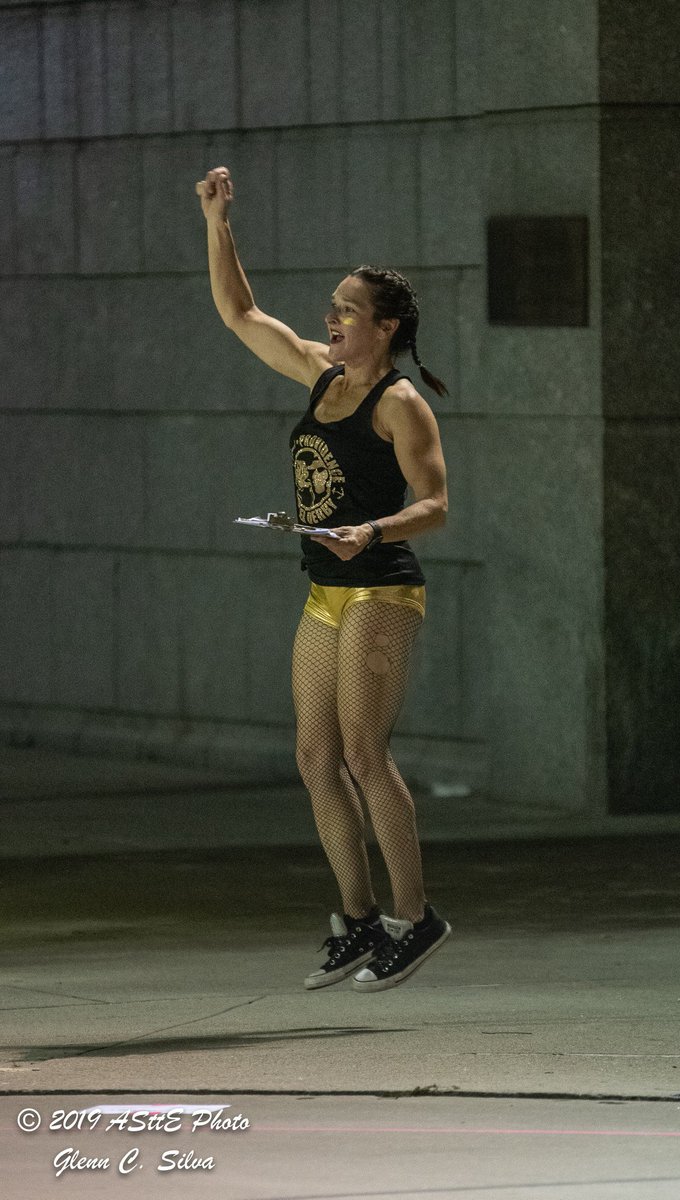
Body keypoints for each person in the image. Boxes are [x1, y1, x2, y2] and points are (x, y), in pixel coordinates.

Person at [196, 166, 452, 991]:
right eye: (332, 305)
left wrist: (370, 529)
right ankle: (360, 917)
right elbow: (241, 314)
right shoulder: (321, 376)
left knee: (364, 752)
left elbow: (436, 504)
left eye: (346, 309)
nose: (330, 317)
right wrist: (218, 223)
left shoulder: (400, 404)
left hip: (382, 587)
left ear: (384, 327)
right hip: (325, 591)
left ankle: (416, 917)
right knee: (315, 755)